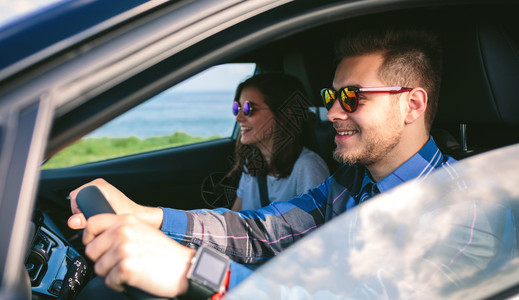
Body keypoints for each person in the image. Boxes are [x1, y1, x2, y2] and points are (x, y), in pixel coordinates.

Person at [68, 24, 461, 298]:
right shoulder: (349, 183)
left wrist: (195, 271)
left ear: (412, 104)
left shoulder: (463, 212)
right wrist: (148, 217)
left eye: (352, 98)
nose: (333, 113)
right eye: (331, 97)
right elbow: (263, 229)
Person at [228, 73, 329, 211]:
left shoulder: (308, 167)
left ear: (284, 114)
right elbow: (234, 220)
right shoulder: (251, 163)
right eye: (237, 108)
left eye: (248, 109)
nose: (238, 117)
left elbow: (317, 228)